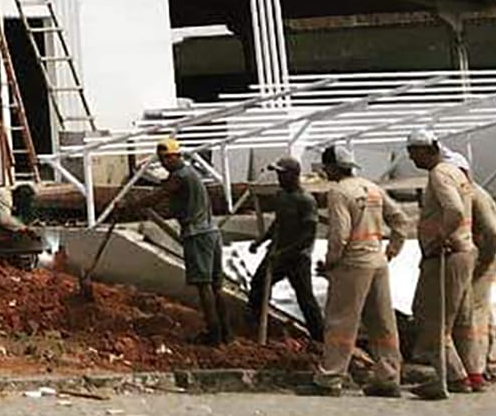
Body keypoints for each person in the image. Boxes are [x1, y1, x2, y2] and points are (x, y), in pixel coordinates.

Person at [310, 143, 407, 396]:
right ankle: (388, 376)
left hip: (352, 264)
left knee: (341, 321)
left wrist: (331, 263)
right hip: (378, 261)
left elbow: (340, 234)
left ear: (331, 168)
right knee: (382, 322)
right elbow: (400, 219)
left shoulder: (339, 193)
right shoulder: (372, 187)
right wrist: (393, 248)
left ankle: (331, 378)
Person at [405, 129, 475, 399]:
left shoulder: (439, 174)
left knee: (432, 318)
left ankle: (451, 378)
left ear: (426, 149)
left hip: (447, 254)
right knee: (439, 317)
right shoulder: (455, 171)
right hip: (460, 251)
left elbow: (455, 210)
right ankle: (457, 374)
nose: (412, 160)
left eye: (413, 153)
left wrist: (440, 238)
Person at [142, 137, 229, 344]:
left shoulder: (180, 176)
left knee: (204, 285)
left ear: (175, 156)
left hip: (197, 234)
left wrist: (130, 205)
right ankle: (225, 333)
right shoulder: (188, 174)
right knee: (216, 286)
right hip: (211, 232)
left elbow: (159, 196)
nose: (163, 163)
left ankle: (214, 335)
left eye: (166, 159)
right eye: (161, 159)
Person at [245, 157, 324, 342]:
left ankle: (320, 338)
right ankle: (257, 325)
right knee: (258, 284)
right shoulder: (281, 196)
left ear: (294, 175)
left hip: (297, 258)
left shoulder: (306, 201)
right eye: (278, 174)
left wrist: (284, 253)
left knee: (305, 298)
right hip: (276, 254)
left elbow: (307, 235)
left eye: (282, 174)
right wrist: (261, 241)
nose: (279, 177)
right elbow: (278, 223)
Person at [451, 166, 496, 392]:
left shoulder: (474, 195)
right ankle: (492, 364)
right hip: (480, 257)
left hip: (480, 258)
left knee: (473, 313)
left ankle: (477, 368)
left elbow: (492, 233)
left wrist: (484, 259)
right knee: (483, 311)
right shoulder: (473, 193)